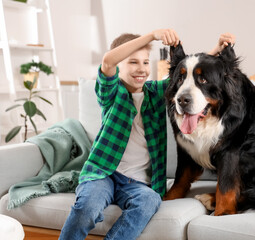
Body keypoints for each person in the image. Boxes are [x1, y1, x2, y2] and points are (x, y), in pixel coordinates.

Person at [59, 29, 235, 240]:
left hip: (138, 184)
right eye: (133, 62)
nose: (141, 69)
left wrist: (218, 49)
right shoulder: (111, 93)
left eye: (145, 62)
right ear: (119, 66)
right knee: (87, 207)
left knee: (150, 201)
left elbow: (187, 73)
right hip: (104, 175)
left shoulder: (157, 92)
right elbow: (107, 61)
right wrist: (152, 36)